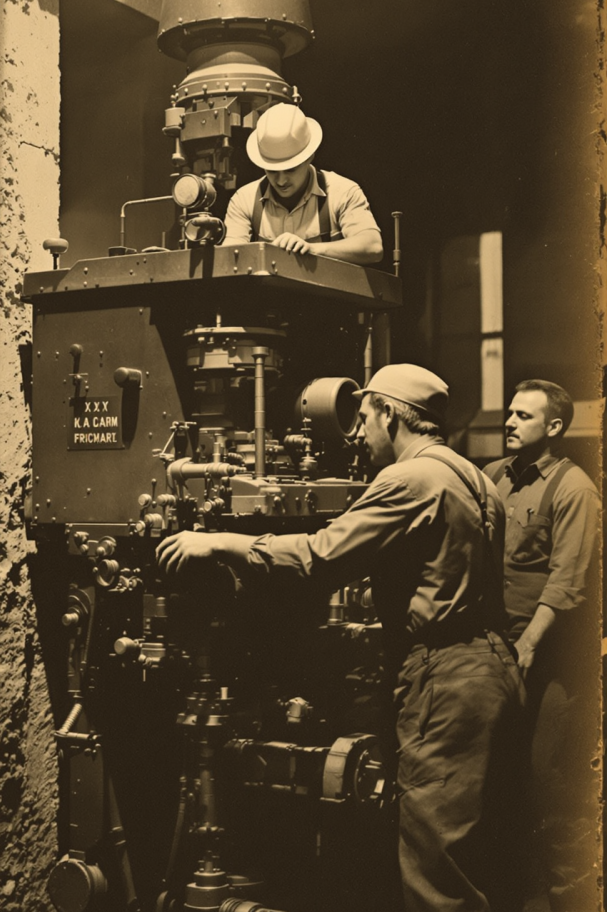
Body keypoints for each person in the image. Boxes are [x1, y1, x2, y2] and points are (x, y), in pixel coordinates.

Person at [157, 364, 525, 912]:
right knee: (483, 861)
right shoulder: (475, 478)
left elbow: (319, 557)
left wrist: (225, 542)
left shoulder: (408, 479)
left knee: (437, 875)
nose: (357, 433)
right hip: (495, 669)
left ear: (391, 415)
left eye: (365, 417)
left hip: (446, 683)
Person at [483, 380, 600, 912]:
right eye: (509, 413)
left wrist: (527, 645)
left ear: (553, 428)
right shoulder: (492, 480)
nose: (509, 422)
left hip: (548, 660)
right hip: (496, 653)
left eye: (523, 416)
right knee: (497, 789)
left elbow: (566, 583)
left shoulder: (574, 490)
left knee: (551, 790)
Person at [222, 103, 383, 265]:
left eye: (290, 170)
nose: (281, 180)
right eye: (272, 171)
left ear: (309, 157)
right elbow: (230, 258)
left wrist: (311, 249)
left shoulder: (343, 191)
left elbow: (372, 247)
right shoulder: (244, 199)